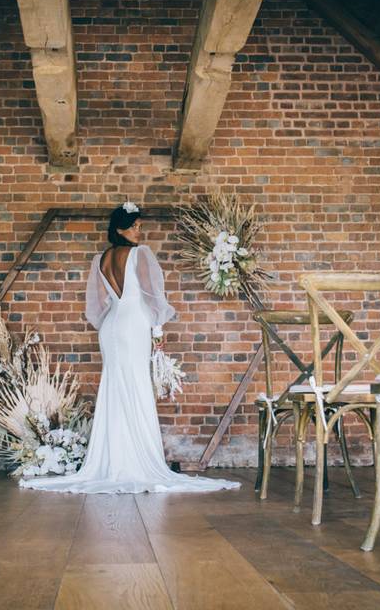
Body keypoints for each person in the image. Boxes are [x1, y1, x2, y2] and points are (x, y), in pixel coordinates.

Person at [19, 202, 240, 493]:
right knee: (136, 386)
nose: (139, 231)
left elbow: (100, 303)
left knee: (114, 388)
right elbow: (152, 296)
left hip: (111, 326)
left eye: (139, 226)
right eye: (134, 226)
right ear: (121, 229)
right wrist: (158, 329)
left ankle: (112, 462)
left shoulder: (102, 259)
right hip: (134, 324)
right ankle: (135, 462)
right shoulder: (139, 254)